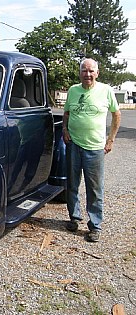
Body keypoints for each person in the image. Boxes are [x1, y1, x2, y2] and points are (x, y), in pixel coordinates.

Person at [62, 58, 121, 242]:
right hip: (74, 145)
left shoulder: (106, 90)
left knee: (94, 189)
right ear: (79, 73)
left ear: (97, 73)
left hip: (95, 148)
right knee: (71, 184)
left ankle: (95, 226)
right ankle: (74, 217)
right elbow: (66, 113)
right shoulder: (73, 90)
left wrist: (110, 139)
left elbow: (116, 114)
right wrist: (64, 129)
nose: (87, 74)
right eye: (84, 71)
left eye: (91, 71)